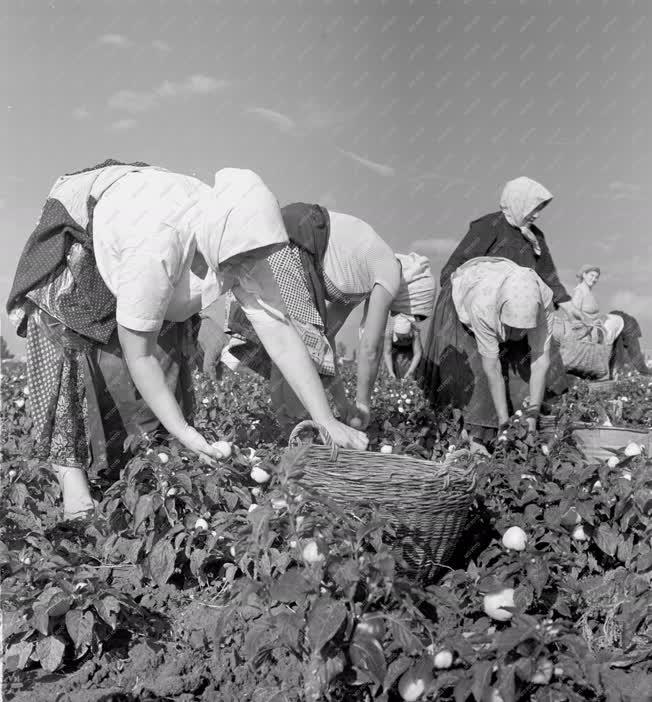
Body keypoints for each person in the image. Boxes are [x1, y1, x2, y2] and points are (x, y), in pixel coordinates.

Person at [7, 161, 367, 520]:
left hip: (142, 223)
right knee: (62, 338)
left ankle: (143, 462)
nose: (241, 270)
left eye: (249, 260)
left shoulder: (243, 239)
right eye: (237, 260)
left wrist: (326, 420)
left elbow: (281, 333)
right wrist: (186, 432)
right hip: (82, 227)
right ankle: (73, 484)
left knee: (163, 345)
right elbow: (140, 355)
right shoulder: (154, 243)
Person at [220, 203, 436, 429]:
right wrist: (362, 406)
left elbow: (325, 339)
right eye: (413, 315)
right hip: (293, 241)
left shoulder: (361, 279)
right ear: (410, 294)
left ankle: (288, 433)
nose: (408, 322)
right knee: (301, 351)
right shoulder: (390, 271)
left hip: (282, 235)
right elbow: (370, 350)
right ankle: (300, 438)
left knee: (295, 344)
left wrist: (343, 405)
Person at [418, 176, 579, 442]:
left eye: (541, 208)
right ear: (517, 202)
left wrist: (574, 311)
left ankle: (529, 421)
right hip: (473, 303)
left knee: (539, 359)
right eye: (534, 207)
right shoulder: (489, 226)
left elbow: (548, 277)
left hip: (522, 305)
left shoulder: (535, 238)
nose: (537, 214)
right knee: (481, 370)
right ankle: (479, 433)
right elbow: (454, 266)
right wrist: (459, 307)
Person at [383, 313, 424, 380]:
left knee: (411, 376)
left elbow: (418, 353)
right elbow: (387, 353)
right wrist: (390, 372)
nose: (402, 340)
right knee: (389, 376)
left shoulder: (415, 331)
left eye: (405, 338)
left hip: (410, 352)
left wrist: (410, 372)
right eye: (399, 338)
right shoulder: (389, 331)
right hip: (393, 351)